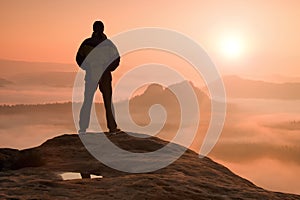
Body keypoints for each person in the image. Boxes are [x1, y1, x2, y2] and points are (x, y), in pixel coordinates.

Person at [76, 21, 121, 134]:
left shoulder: (87, 43)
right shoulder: (108, 44)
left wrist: (89, 68)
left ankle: (83, 128)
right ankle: (112, 128)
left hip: (92, 75)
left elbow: (79, 58)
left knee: (88, 101)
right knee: (107, 101)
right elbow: (117, 59)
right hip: (104, 75)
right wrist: (108, 68)